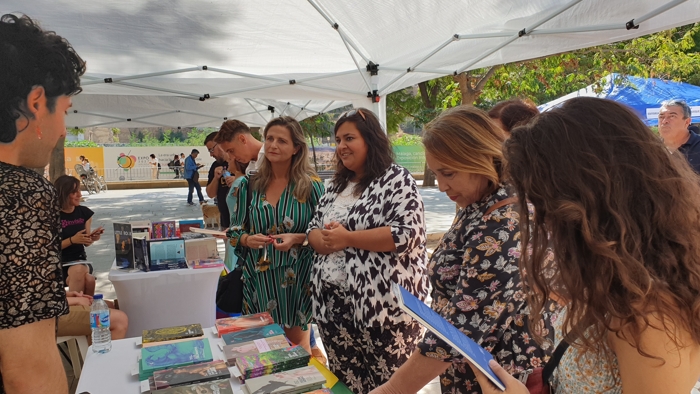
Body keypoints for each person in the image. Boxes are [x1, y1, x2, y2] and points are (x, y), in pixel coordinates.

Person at [471, 97, 700, 394]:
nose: (542, 217)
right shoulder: (617, 272)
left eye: (545, 201)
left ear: (588, 201)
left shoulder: (652, 316)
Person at [371, 106, 556, 394]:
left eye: (448, 173)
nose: (442, 186)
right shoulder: (479, 202)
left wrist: (392, 389)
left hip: (501, 380)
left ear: (480, 158)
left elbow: (460, 328)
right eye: (435, 174)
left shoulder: (504, 222)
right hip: (471, 371)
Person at [306, 108, 428, 393]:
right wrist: (319, 239)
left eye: (349, 138)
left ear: (371, 140)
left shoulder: (396, 179)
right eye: (337, 140)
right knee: (346, 384)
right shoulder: (337, 184)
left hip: (383, 309)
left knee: (388, 386)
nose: (341, 146)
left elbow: (406, 234)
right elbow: (313, 225)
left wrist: (348, 238)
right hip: (333, 307)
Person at [0, 13, 85, 394]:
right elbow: (28, 372)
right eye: (65, 109)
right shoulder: (20, 193)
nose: (64, 128)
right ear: (37, 102)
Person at [227, 116, 324, 356]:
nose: (273, 145)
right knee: (260, 350)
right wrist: (247, 239)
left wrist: (298, 237)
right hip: (258, 280)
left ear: (296, 148)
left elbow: (323, 234)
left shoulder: (311, 186)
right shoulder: (248, 185)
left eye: (282, 140)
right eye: (269, 138)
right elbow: (233, 231)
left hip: (298, 278)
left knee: (298, 350)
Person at [55, 175, 104, 295]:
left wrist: (92, 237)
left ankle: (79, 310)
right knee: (89, 279)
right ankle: (82, 310)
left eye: (79, 190)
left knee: (78, 270)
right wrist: (72, 240)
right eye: (74, 192)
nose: (80, 195)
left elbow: (86, 243)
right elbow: (49, 247)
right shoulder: (52, 215)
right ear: (64, 194)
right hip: (57, 263)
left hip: (79, 260)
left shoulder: (84, 212)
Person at [58, 291, 128, 341]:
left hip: (58, 304)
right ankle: (103, 359)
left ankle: (92, 353)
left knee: (109, 305)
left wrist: (66, 295)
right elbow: (48, 303)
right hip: (53, 314)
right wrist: (76, 300)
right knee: (119, 319)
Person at [658, 99, 700, 173]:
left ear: (687, 122)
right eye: (661, 117)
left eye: (672, 116)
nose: (664, 121)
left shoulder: (697, 145)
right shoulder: (651, 148)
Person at [205, 131, 236, 229]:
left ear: (220, 144)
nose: (211, 154)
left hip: (242, 220)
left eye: (211, 150)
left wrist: (237, 180)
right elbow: (210, 194)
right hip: (225, 220)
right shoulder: (215, 166)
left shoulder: (239, 161)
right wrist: (215, 178)